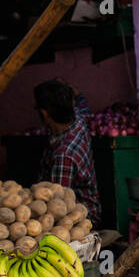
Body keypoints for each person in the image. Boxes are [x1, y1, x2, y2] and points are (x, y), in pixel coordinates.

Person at [34, 80, 101, 225]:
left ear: (44, 113)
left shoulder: (63, 156)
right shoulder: (78, 120)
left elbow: (57, 204)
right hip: (93, 204)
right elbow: (82, 106)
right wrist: (78, 94)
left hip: (82, 215)